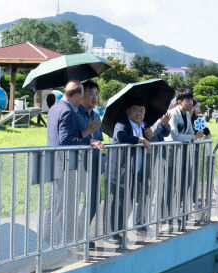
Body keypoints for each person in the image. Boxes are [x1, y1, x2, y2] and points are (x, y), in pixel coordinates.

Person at [44, 80, 103, 247]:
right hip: (63, 163)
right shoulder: (68, 111)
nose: (83, 98)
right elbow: (66, 140)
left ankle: (49, 240)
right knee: (60, 206)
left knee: (54, 204)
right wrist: (89, 141)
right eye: (83, 95)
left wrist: (88, 132)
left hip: (55, 161)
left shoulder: (55, 108)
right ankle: (58, 244)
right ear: (76, 95)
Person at [108, 100, 169, 240]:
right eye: (135, 110)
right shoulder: (122, 123)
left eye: (142, 110)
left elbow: (157, 137)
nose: (139, 113)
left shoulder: (144, 125)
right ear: (128, 110)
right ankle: (113, 233)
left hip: (137, 170)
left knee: (129, 202)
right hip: (121, 170)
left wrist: (148, 135)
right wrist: (141, 140)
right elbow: (121, 137)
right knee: (119, 202)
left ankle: (122, 230)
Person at [166, 89, 205, 226]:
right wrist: (192, 137)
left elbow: (188, 132)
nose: (190, 103)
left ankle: (175, 214)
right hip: (170, 152)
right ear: (179, 102)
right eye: (187, 100)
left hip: (181, 153)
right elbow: (175, 135)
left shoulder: (187, 116)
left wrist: (194, 136)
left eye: (191, 100)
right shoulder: (173, 114)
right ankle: (166, 215)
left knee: (180, 183)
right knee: (169, 185)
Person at [76, 80, 105, 247]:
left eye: (96, 94)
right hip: (79, 164)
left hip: (94, 162)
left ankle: (82, 234)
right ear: (81, 96)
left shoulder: (96, 115)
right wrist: (89, 133)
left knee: (94, 200)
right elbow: (76, 138)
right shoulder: (75, 114)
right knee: (76, 200)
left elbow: (99, 139)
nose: (94, 97)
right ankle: (76, 237)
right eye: (90, 94)